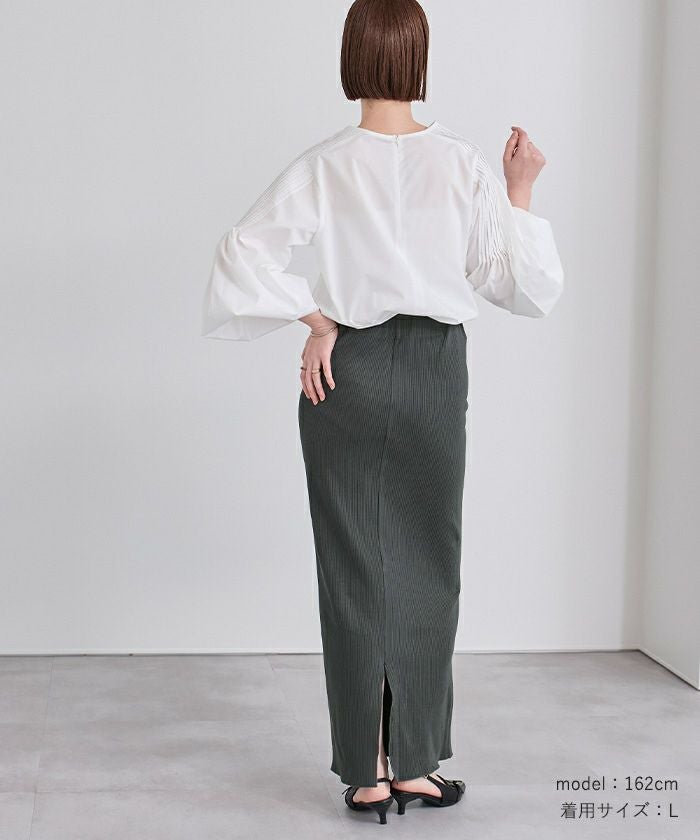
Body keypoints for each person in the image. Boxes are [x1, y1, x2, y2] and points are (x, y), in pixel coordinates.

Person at [201, 0, 563, 824]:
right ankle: (418, 765)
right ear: (418, 58)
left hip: (350, 371)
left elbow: (239, 252)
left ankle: (367, 772)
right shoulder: (462, 163)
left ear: (351, 58)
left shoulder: (324, 164)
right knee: (429, 561)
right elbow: (517, 286)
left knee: (353, 568)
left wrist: (317, 321)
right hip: (434, 370)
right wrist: (520, 190)